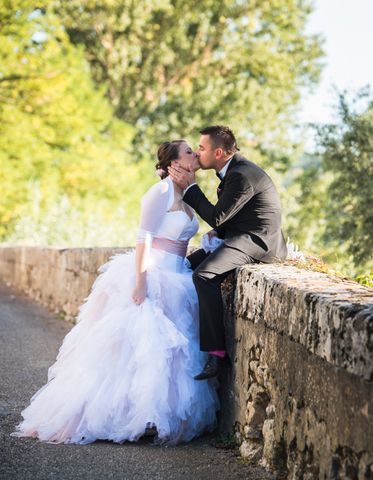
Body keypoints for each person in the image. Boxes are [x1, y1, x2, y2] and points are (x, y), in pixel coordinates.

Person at [13, 140, 219, 445]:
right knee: (143, 349)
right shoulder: (159, 192)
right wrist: (140, 280)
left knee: (174, 354)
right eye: (189, 150)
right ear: (175, 162)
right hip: (154, 273)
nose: (195, 154)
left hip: (179, 276)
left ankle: (159, 416)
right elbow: (144, 238)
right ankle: (133, 416)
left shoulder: (187, 194)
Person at [168, 125, 287, 381]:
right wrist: (218, 234)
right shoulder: (233, 172)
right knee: (187, 265)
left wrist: (190, 188)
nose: (198, 153)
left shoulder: (241, 175)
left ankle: (216, 353)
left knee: (204, 276)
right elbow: (228, 219)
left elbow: (217, 217)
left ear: (218, 152)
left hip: (258, 242)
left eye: (201, 148)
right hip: (240, 236)